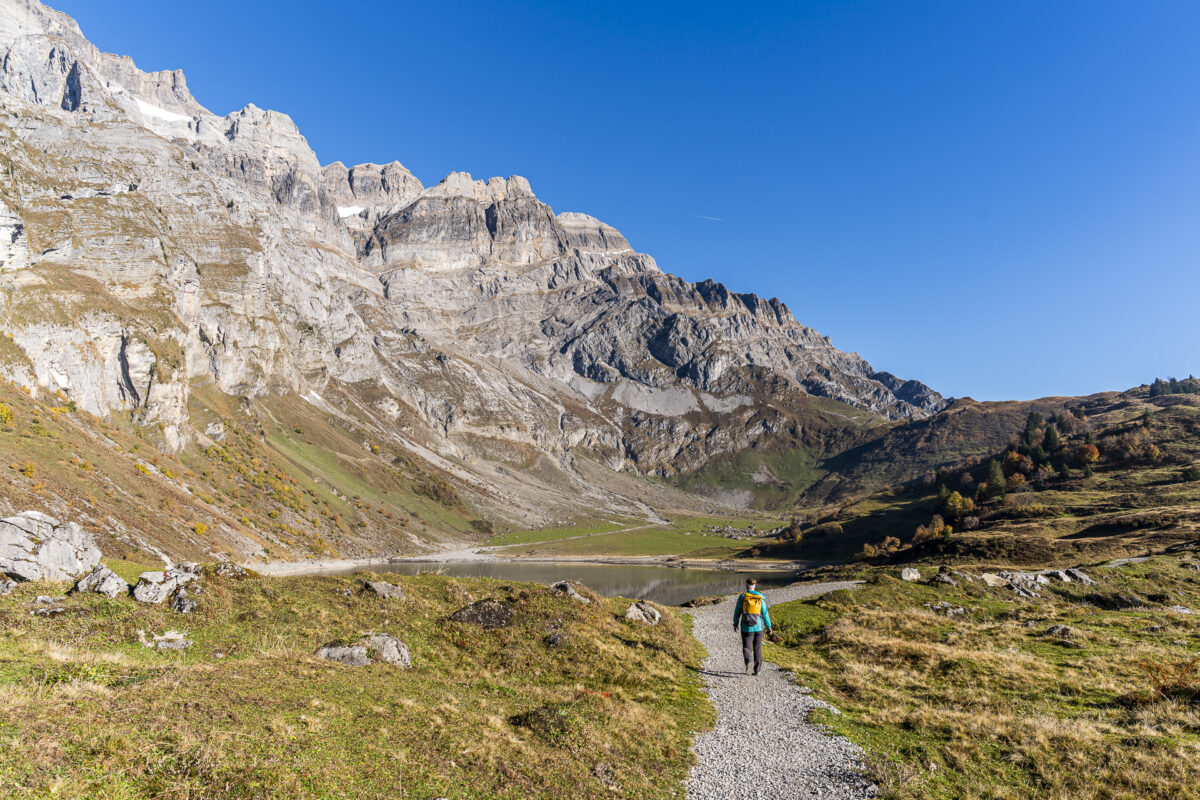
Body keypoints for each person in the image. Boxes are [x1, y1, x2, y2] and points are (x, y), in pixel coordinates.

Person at [732, 577, 772, 675]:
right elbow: (765, 613)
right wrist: (768, 627)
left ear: (746, 586)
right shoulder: (760, 597)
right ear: (754, 586)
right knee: (757, 648)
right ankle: (757, 670)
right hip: (758, 627)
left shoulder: (742, 597)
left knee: (747, 648)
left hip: (746, 627)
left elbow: (737, 611)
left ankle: (749, 665)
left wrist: (735, 623)